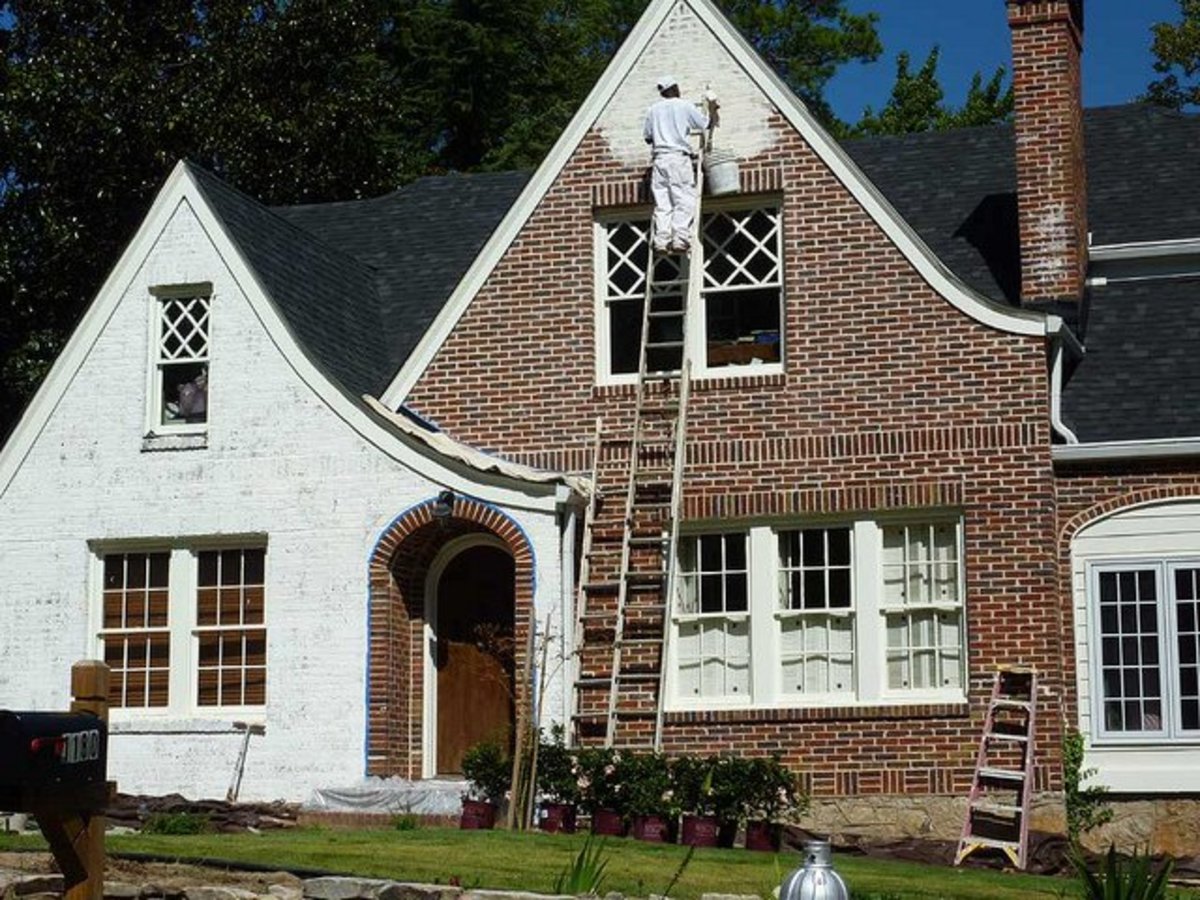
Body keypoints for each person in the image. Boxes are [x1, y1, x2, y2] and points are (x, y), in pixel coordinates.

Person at [643, 76, 717, 253]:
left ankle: (661, 240)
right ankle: (680, 239)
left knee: (663, 203)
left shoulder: (653, 110)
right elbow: (704, 124)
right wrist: (713, 111)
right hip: (678, 158)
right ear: (675, 88)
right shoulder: (684, 105)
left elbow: (647, 137)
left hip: (659, 160)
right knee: (683, 198)